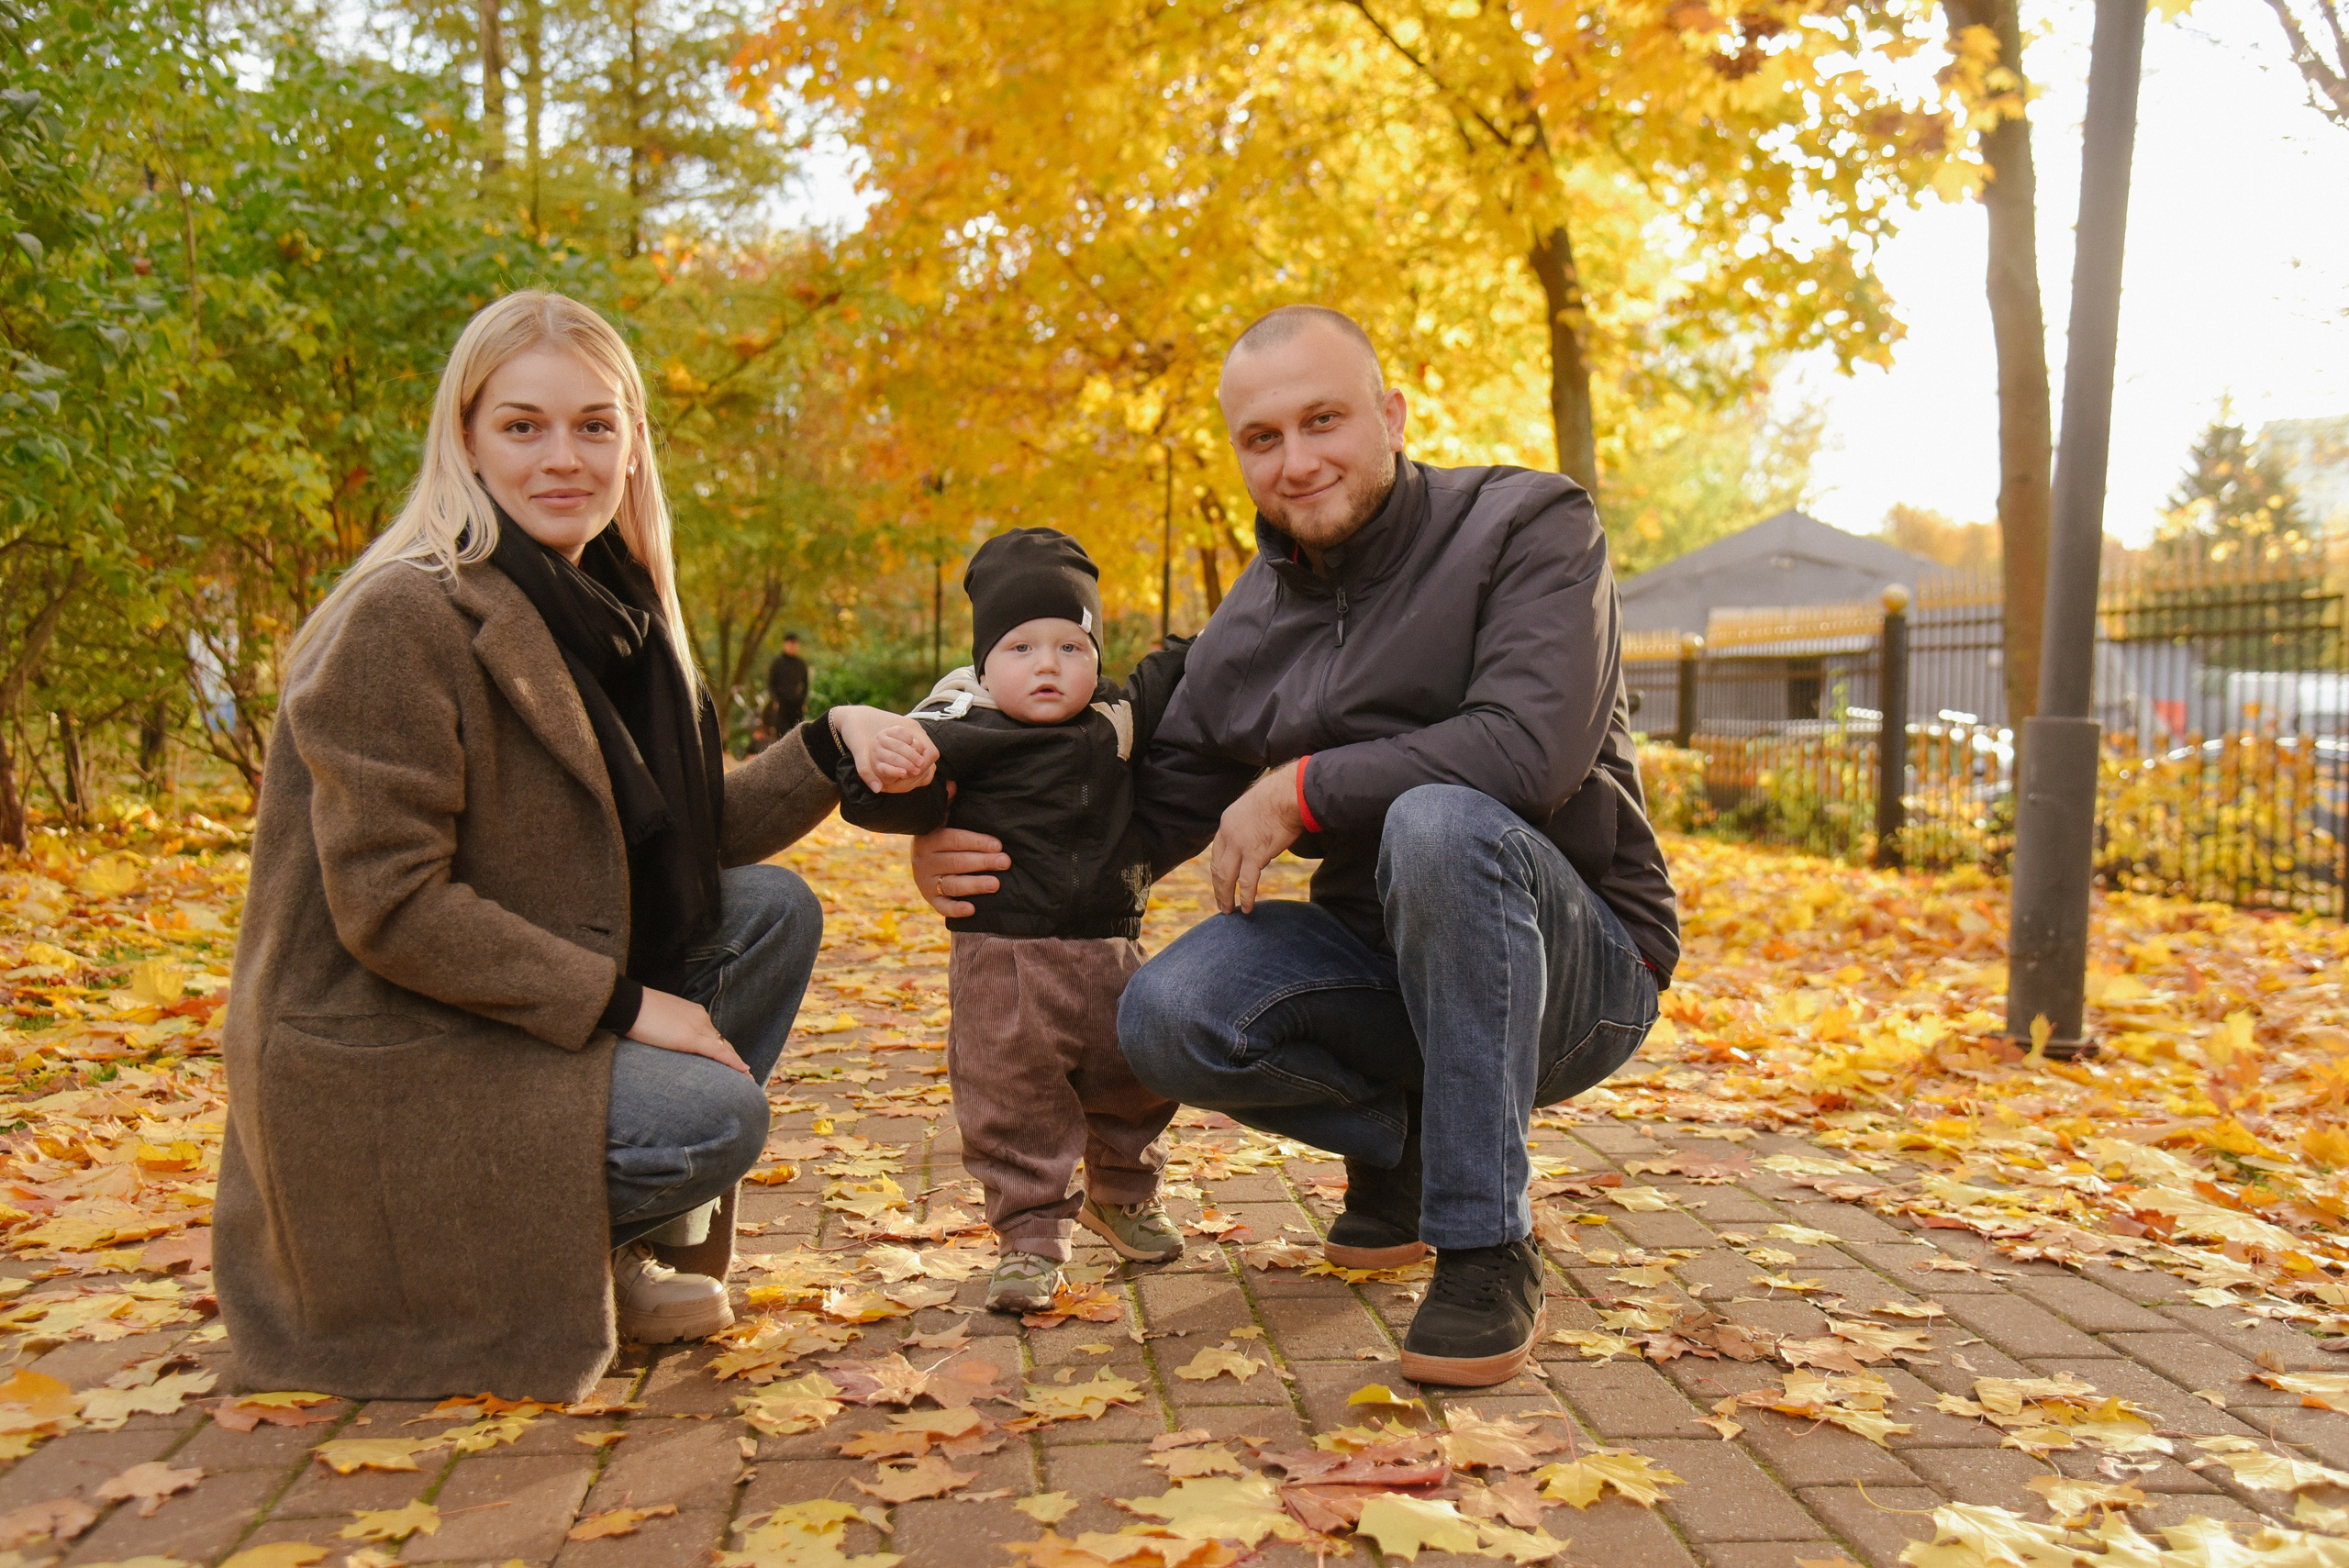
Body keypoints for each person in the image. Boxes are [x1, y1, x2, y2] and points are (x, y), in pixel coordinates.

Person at [911, 306, 1677, 1389]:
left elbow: (1529, 747)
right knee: (1165, 1012)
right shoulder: (1252, 623)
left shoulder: (1528, 524)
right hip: (1382, 969)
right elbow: (1138, 814)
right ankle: (1407, 1148)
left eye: (1324, 419)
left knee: (1440, 818)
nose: (1297, 459)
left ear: (1391, 414)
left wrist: (1300, 788)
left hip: (1580, 971)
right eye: (1262, 437)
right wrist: (962, 839)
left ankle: (1484, 1240)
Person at [215, 290, 933, 1401]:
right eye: (523, 425)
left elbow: (690, 842)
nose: (565, 456)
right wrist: (634, 1006)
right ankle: (520, 1264)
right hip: (386, 1050)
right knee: (713, 1115)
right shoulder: (403, 617)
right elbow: (393, 907)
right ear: (465, 438)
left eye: (595, 424)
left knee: (773, 908)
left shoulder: (616, 611)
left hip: (493, 1003)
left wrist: (829, 747)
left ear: (633, 441)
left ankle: (596, 1252)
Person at [824, 529, 1190, 1313]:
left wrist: (1217, 642)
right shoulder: (965, 723)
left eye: (1071, 643)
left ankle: (1122, 1192)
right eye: (1021, 646)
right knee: (1013, 1094)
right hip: (1004, 957)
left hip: (1110, 946)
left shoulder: (1116, 717)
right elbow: (886, 793)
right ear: (986, 662)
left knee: (1133, 1077)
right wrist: (900, 780)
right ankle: (1029, 1235)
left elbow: (1184, 668)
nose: (1049, 663)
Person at [765, 633, 810, 735]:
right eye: (790, 644)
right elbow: (771, 684)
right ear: (784, 645)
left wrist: (803, 701)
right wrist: (775, 700)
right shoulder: (777, 663)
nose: (792, 647)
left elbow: (806, 684)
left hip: (796, 704)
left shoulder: (801, 664)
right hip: (782, 704)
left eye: (794, 644)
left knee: (797, 733)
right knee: (782, 733)